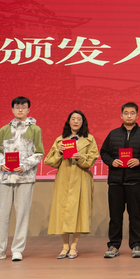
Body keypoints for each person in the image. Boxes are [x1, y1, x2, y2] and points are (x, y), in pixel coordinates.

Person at [0, 96, 44, 262]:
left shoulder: (35, 129)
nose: (20, 109)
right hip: (6, 177)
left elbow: (39, 152)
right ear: (12, 109)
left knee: (22, 214)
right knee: (2, 214)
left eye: (23, 107)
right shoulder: (4, 129)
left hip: (25, 178)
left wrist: (24, 166)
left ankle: (17, 250)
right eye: (17, 107)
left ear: (28, 110)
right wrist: (1, 164)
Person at [100, 102, 140, 259]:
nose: (129, 115)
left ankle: (136, 245)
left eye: (132, 113)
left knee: (135, 215)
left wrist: (139, 161)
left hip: (135, 181)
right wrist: (112, 161)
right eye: (126, 113)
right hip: (115, 182)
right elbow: (104, 152)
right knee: (115, 216)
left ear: (137, 115)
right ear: (121, 115)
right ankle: (113, 245)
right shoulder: (113, 134)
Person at [44, 110, 98, 259]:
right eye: (73, 118)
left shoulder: (89, 139)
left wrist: (81, 157)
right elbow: (49, 161)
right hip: (64, 178)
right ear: (68, 121)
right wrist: (59, 153)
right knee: (62, 211)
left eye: (79, 119)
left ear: (83, 122)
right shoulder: (60, 140)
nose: (75, 121)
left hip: (81, 178)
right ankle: (64, 246)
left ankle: (74, 246)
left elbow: (92, 159)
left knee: (79, 211)